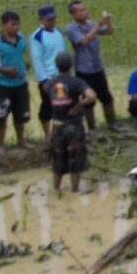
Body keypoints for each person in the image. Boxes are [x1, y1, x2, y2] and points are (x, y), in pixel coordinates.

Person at [43, 52, 96, 196]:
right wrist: (78, 106)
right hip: (74, 125)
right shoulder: (76, 82)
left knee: (58, 160)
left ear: (56, 65)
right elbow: (91, 96)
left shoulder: (50, 83)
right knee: (76, 159)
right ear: (71, 65)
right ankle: (74, 191)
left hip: (57, 126)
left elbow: (48, 94)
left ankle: (56, 190)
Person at [0, 10, 30, 150]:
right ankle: (1, 144)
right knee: (1, 115)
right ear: (4, 25)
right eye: (13, 24)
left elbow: (19, 55)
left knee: (20, 115)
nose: (17, 27)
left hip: (20, 83)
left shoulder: (20, 38)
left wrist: (24, 65)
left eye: (18, 24)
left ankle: (21, 140)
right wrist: (4, 70)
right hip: (2, 85)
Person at [65, 0, 115, 129]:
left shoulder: (90, 24)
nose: (85, 12)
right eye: (81, 10)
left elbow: (109, 31)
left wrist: (107, 21)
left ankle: (112, 125)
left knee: (107, 98)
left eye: (84, 9)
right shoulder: (71, 28)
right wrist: (98, 25)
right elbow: (84, 41)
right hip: (84, 70)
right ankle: (92, 129)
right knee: (88, 102)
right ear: (73, 14)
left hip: (97, 67)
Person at [30, 4, 66, 140]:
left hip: (61, 76)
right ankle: (48, 135)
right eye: (48, 20)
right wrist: (43, 80)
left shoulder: (58, 33)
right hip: (49, 78)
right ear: (41, 19)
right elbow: (37, 59)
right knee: (48, 107)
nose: (52, 22)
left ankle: (57, 133)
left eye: (53, 19)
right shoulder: (37, 37)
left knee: (61, 107)